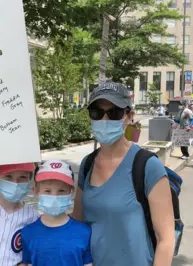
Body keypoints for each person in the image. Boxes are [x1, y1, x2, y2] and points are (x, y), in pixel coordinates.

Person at [72, 81, 174, 266]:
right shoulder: (87, 165)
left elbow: (165, 240)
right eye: (96, 112)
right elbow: (77, 223)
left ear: (129, 116)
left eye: (114, 113)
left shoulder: (147, 166)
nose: (104, 120)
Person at [21, 160, 92, 266]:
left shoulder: (84, 232)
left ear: (71, 192)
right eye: (47, 191)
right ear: (36, 191)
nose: (54, 197)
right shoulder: (27, 233)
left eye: (61, 191)